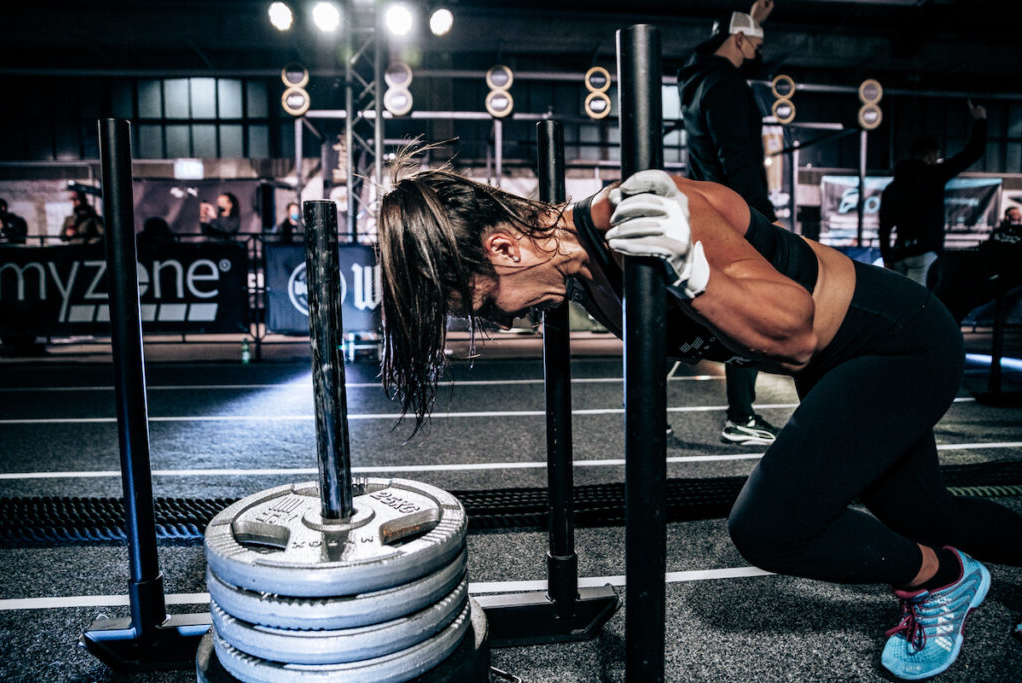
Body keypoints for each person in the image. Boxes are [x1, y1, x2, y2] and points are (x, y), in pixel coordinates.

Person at [376, 159, 1022, 680]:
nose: (499, 321)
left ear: (506, 246)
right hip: (844, 360)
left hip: (896, 339)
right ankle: (946, 560)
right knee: (925, 513)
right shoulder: (589, 275)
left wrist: (691, 266)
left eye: (485, 304)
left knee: (772, 525)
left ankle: (941, 578)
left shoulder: (639, 212)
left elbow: (792, 333)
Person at [677, 0, 780, 446]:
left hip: (705, 210)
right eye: (755, 41)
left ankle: (640, 405)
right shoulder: (727, 85)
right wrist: (762, 220)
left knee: (693, 315)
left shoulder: (699, 83)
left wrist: (754, 18)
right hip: (735, 215)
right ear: (738, 39)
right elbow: (737, 156)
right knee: (749, 310)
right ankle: (741, 418)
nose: (760, 49)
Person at [878, 101, 987, 287]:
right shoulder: (934, 174)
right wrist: (981, 120)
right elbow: (973, 152)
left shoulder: (892, 187)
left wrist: (887, 258)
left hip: (899, 254)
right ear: (931, 157)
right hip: (924, 252)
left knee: (900, 305)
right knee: (918, 307)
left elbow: (884, 227)